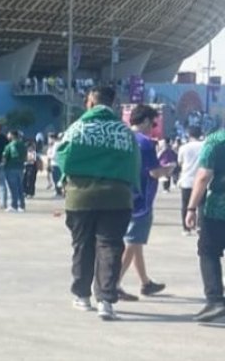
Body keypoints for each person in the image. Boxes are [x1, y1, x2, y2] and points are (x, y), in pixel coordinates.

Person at [55, 86, 140, 322]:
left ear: (91, 103)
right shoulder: (124, 132)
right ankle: (106, 301)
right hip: (117, 197)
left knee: (82, 245)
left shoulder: (78, 128)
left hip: (80, 197)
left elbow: (62, 157)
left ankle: (82, 296)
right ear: (112, 103)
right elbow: (134, 163)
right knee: (110, 246)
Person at [117, 105, 174, 301]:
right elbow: (155, 172)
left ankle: (145, 282)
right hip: (141, 200)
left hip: (122, 194)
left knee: (136, 242)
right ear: (147, 121)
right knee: (133, 242)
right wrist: (169, 169)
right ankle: (114, 282)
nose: (153, 127)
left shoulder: (122, 137)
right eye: (153, 123)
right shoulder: (145, 143)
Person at [186, 128, 225, 322]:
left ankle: (215, 299)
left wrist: (191, 208)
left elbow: (203, 177)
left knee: (208, 251)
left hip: (219, 208)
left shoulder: (217, 140)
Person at [179, 127, 206, 236]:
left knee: (186, 204)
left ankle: (186, 228)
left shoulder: (184, 147)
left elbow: (180, 162)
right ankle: (200, 226)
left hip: (187, 179)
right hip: (201, 179)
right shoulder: (205, 146)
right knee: (202, 204)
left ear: (189, 135)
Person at [2, 130, 27, 212]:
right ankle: (21, 205)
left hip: (10, 168)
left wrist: (3, 165)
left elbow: (5, 157)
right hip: (20, 168)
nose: (7, 136)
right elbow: (25, 156)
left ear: (12, 135)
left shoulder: (9, 146)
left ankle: (14, 205)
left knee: (13, 188)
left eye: (9, 134)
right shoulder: (23, 145)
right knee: (20, 187)